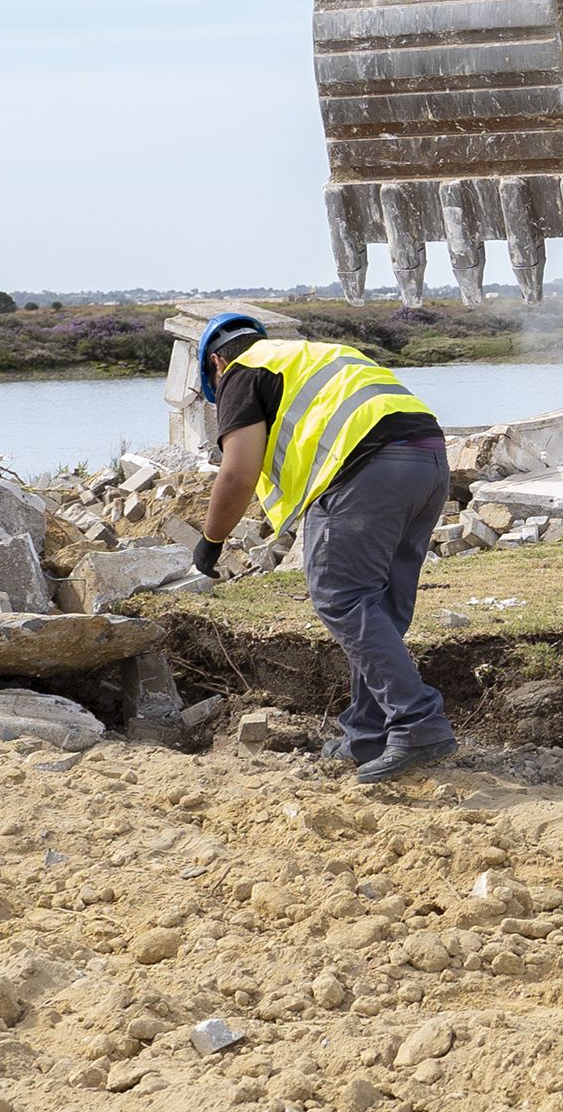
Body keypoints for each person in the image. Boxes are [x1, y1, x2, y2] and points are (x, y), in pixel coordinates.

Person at [193, 312, 457, 781]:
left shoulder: (241, 371)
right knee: (379, 607)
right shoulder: (315, 356)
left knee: (342, 595)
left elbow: (238, 470)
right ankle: (369, 736)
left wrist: (212, 541)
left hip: (366, 471)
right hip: (428, 459)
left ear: (216, 361)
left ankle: (418, 723)